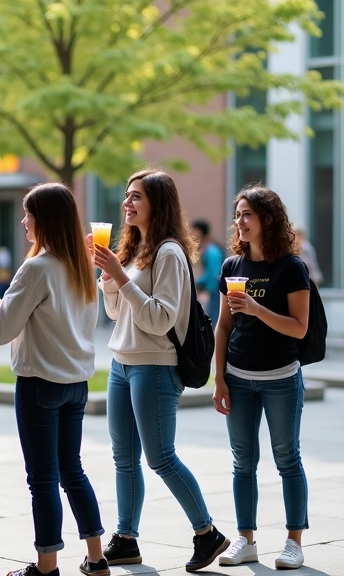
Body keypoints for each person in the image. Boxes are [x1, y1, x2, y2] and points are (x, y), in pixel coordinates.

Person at [0, 183, 109, 576]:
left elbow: (2, 331)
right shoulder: (80, 266)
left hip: (39, 386)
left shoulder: (36, 267)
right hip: (75, 386)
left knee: (42, 479)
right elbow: (17, 311)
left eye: (28, 214)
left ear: (45, 219)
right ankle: (96, 558)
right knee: (72, 471)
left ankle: (46, 567)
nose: (23, 221)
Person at [93, 170, 230, 572]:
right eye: (126, 195)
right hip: (123, 363)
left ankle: (208, 534)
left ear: (158, 203)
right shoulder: (136, 249)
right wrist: (109, 279)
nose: (127, 203)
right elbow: (118, 314)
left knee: (161, 458)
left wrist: (119, 276)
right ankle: (126, 539)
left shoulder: (169, 252)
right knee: (124, 457)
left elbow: (158, 319)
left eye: (137, 197)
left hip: (155, 367)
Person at [212, 185, 311, 570]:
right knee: (243, 462)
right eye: (237, 215)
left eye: (247, 215)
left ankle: (294, 541)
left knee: (287, 458)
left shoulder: (291, 267)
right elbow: (222, 326)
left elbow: (299, 328)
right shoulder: (231, 267)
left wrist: (255, 307)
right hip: (238, 376)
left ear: (267, 219)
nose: (240, 222)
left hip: (281, 377)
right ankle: (246, 539)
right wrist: (218, 378)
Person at [192, 219, 224, 327]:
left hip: (215, 291)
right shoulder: (209, 249)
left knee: (214, 321)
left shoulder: (212, 251)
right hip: (213, 290)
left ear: (200, 232)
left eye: (194, 231)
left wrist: (198, 283)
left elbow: (213, 274)